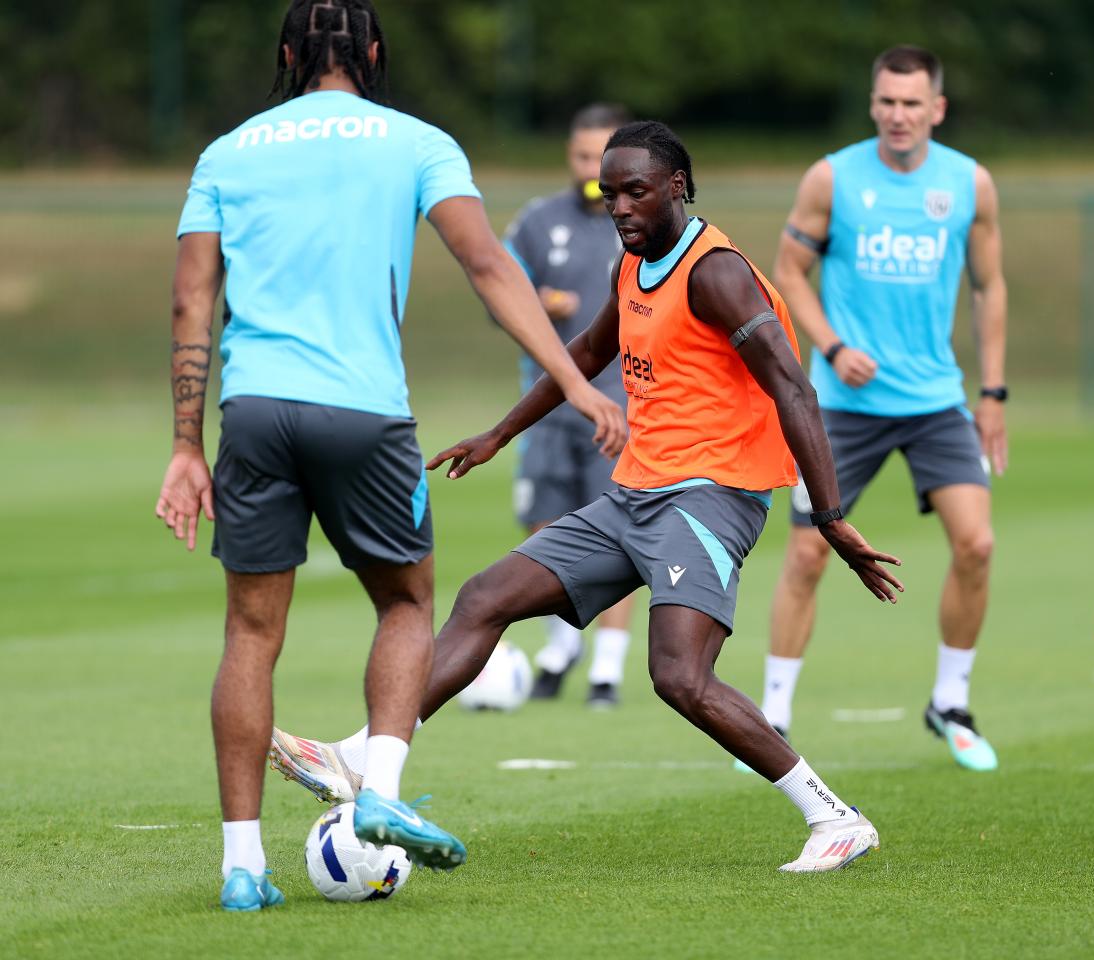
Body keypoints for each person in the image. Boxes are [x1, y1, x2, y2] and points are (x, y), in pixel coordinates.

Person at [270, 120, 907, 873]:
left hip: (709, 496)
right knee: (486, 597)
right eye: (609, 194)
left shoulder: (718, 272)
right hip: (637, 492)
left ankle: (833, 816)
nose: (619, 207)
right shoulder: (633, 264)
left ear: (676, 186)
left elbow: (794, 388)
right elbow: (588, 353)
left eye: (635, 191)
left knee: (678, 676)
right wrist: (500, 433)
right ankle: (360, 758)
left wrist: (829, 518)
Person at [153, 0, 623, 911]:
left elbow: (188, 305)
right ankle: (380, 795)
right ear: (373, 52)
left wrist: (184, 444)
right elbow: (488, 264)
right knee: (408, 602)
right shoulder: (416, 141)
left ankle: (242, 868)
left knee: (251, 634)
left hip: (252, 411)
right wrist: (571, 380)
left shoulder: (227, 152)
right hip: (366, 415)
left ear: (287, 54)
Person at [755, 45, 1006, 772]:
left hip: (935, 401)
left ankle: (950, 702)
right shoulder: (832, 177)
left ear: (938, 108)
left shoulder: (969, 184)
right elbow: (788, 273)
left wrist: (992, 392)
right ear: (874, 105)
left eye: (912, 103)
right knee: (806, 552)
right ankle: (771, 716)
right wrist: (831, 347)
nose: (899, 115)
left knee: (978, 544)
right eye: (887, 102)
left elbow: (991, 288)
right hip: (842, 404)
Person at [504, 103, 637, 708]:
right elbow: (498, 291)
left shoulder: (644, 222)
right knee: (546, 530)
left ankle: (607, 670)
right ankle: (562, 647)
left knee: (619, 534)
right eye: (582, 156)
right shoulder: (536, 222)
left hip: (620, 407)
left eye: (601, 157)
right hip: (548, 407)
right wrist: (535, 301)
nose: (590, 168)